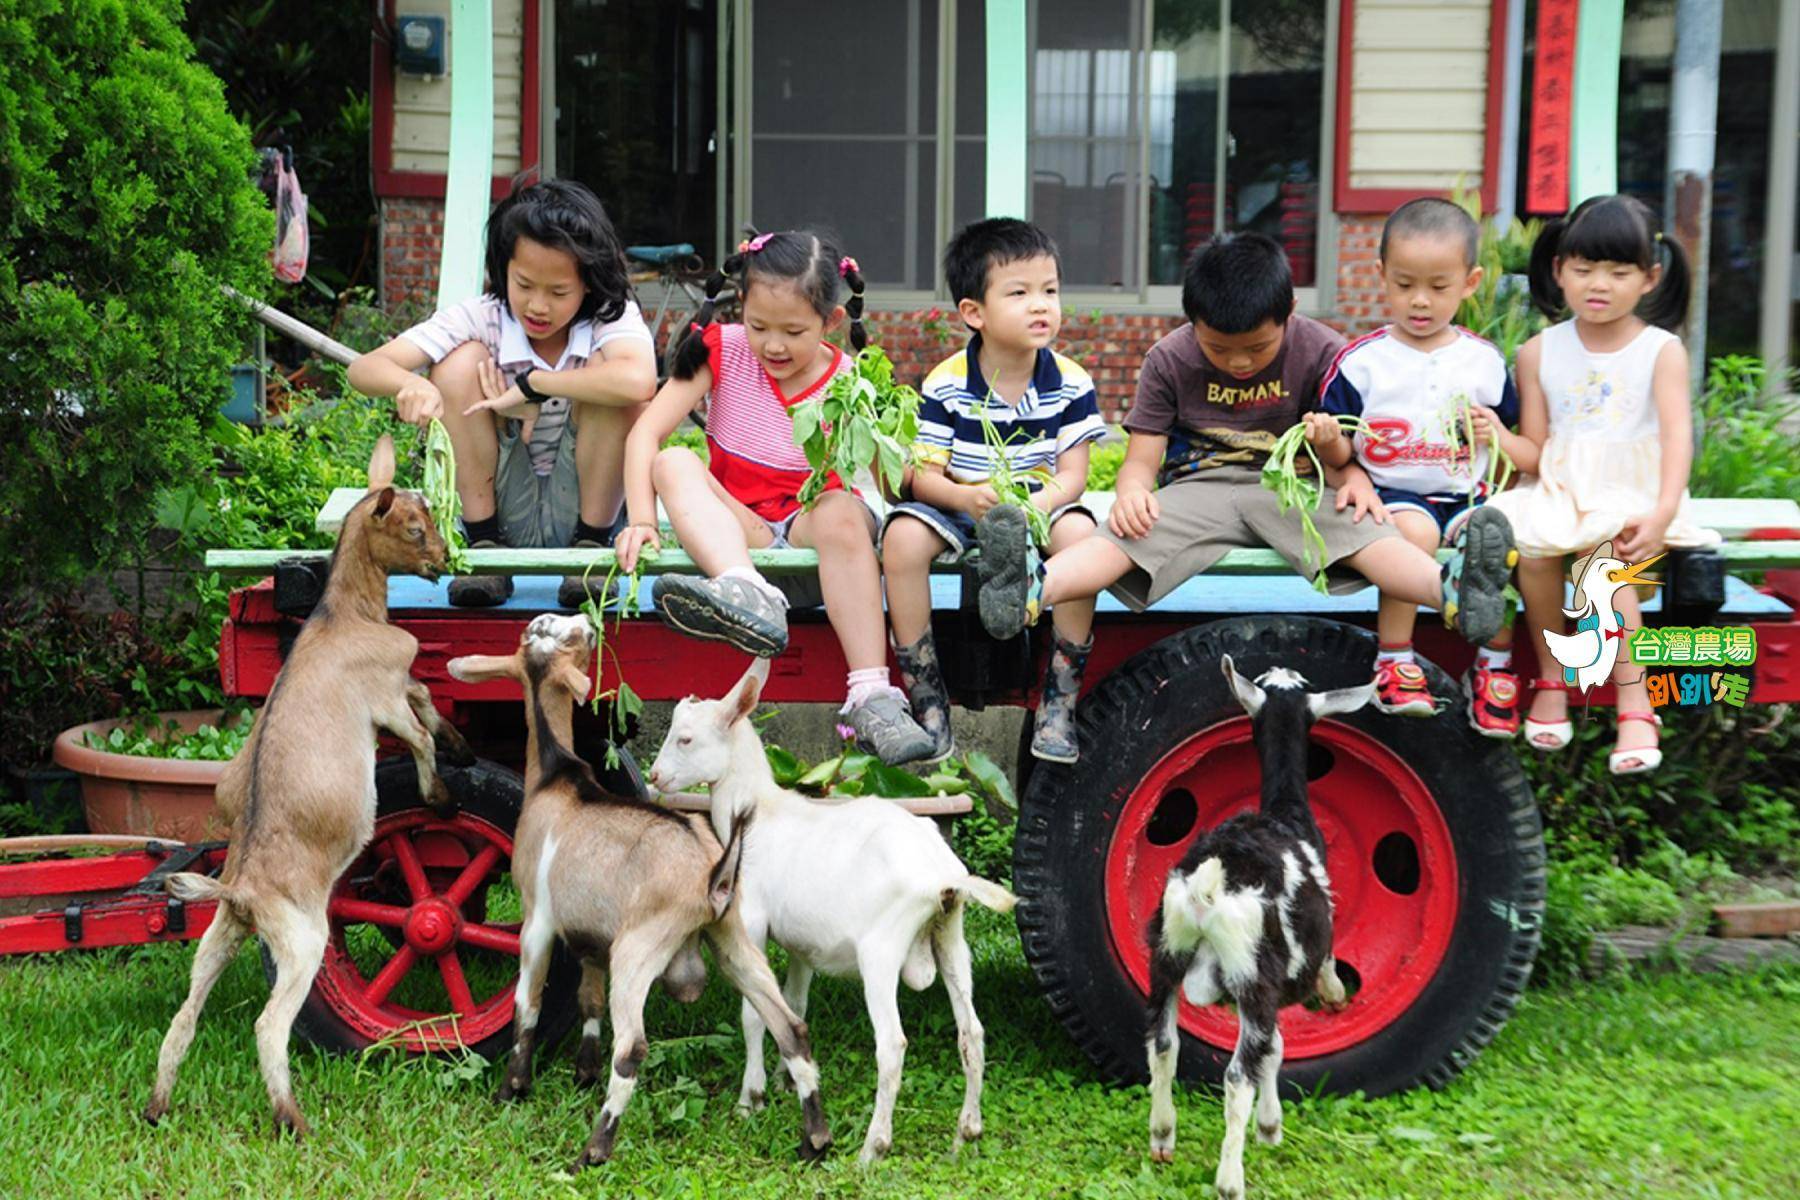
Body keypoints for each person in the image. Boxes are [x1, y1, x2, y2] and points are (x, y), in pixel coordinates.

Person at [973, 232, 1518, 662]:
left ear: (1290, 312)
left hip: (1292, 490)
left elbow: (1347, 445)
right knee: (1121, 536)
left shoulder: (1323, 349)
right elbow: (1141, 458)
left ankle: (1451, 590)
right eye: (1218, 348)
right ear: (1192, 322)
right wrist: (1132, 491)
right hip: (1197, 489)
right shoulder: (1170, 357)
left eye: (1257, 348)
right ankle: (1027, 590)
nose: (1238, 363)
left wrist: (1346, 470)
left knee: (1366, 532)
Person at [614, 230, 935, 765]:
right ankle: (743, 592)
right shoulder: (722, 351)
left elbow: (893, 474)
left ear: (831, 322)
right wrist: (642, 520)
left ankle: (871, 692)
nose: (774, 345)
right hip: (743, 541)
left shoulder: (849, 379)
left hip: (815, 544)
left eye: (794, 331)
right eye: (759, 326)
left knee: (839, 508)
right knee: (672, 461)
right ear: (741, 307)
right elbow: (645, 434)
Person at [1486, 194, 1717, 775]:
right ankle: (1552, 675)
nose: (1599, 285)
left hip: (1635, 494)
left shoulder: (1660, 350)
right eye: (1584, 269)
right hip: (1562, 490)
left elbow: (1677, 438)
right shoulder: (1538, 352)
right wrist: (1494, 437)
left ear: (1649, 278)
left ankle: (1636, 699)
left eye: (1618, 272)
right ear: (1559, 268)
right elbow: (1536, 452)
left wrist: (1663, 512)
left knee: (1602, 561)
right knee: (1534, 554)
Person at [347, 178, 657, 608]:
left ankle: (588, 554)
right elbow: (365, 368)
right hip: (501, 502)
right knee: (456, 363)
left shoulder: (610, 317)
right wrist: (412, 383)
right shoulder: (483, 317)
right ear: (502, 269)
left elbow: (640, 381)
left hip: (588, 508)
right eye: (524, 284)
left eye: (558, 292)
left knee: (616, 382)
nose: (537, 306)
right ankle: (485, 549)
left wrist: (532, 386)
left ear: (587, 283)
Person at [881, 219, 1107, 764]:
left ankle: (1060, 696)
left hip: (1036, 501)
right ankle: (927, 697)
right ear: (973, 313)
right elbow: (921, 475)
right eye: (1020, 293)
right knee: (903, 540)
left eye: (1050, 291)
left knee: (1081, 534)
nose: (1041, 306)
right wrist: (962, 497)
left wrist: (1038, 504)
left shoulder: (1070, 381)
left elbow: (1073, 475)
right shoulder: (947, 381)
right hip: (964, 501)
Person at [1311, 197, 1535, 736]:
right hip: (1393, 494)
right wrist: (1328, 443)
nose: (1420, 301)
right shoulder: (1362, 363)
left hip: (1468, 494)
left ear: (1470, 281)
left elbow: (1519, 442)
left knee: (1497, 541)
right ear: (1381, 275)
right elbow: (1340, 454)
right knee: (1410, 532)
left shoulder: (1483, 361)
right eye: (1405, 284)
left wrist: (1495, 434)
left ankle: (1495, 669)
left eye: (1438, 287)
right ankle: (1394, 660)